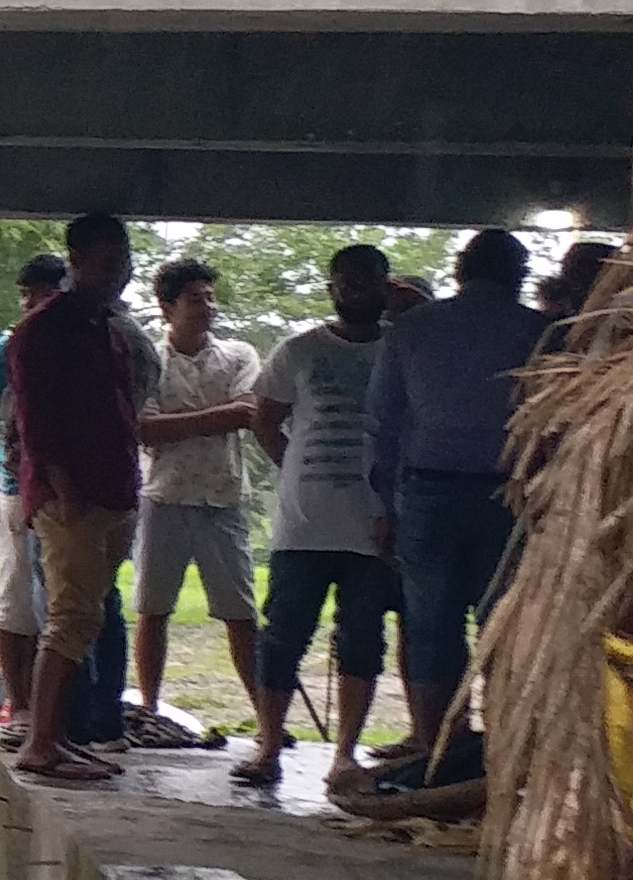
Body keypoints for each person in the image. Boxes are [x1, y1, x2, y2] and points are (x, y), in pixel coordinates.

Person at [370, 227, 543, 770]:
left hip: (427, 489)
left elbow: (383, 421)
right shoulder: (542, 332)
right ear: (520, 276)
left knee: (430, 624)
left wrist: (384, 504)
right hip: (509, 494)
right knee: (506, 625)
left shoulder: (414, 329)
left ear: (459, 272)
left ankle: (436, 749)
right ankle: (505, 753)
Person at [235, 242, 398, 791]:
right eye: (346, 281)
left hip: (373, 528)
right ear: (332, 287)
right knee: (283, 636)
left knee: (361, 639)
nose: (357, 290)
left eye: (368, 280)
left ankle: (345, 755)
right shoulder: (298, 351)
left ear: (385, 285)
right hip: (302, 528)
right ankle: (267, 745)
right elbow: (265, 421)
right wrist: (295, 473)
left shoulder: (401, 350)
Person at [3, 210, 147, 786]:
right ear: (78, 262)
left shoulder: (104, 327)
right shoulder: (42, 330)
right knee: (69, 616)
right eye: (108, 262)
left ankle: (57, 736)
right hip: (74, 498)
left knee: (86, 616)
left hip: (113, 489)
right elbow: (35, 420)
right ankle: (40, 742)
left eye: (126, 261)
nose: (120, 273)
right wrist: (63, 490)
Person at [130, 256, 261, 736]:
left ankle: (266, 716)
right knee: (152, 608)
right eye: (194, 299)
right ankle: (149, 708)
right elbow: (142, 428)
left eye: (210, 297)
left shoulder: (239, 355)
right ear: (167, 309)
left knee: (241, 612)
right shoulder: (149, 360)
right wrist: (216, 415)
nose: (207, 307)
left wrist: (174, 424)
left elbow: (248, 411)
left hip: (222, 497)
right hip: (163, 496)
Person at [0, 249, 70, 721]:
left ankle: (64, 711)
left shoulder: (81, 345)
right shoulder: (2, 352)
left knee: (68, 604)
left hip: (72, 493)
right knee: (15, 598)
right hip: (16, 488)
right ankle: (23, 707)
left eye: (43, 295)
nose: (32, 304)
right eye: (26, 295)